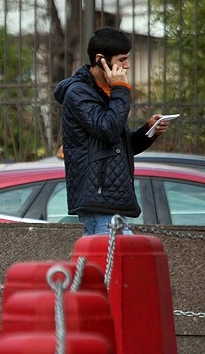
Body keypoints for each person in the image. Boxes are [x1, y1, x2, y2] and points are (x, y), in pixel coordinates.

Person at [54, 26, 174, 236]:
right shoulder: (79, 93)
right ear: (101, 59)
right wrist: (120, 90)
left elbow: (120, 147)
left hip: (111, 202)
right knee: (110, 265)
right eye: (121, 60)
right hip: (97, 200)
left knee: (112, 265)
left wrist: (150, 130)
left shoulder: (107, 91)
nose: (127, 65)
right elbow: (108, 130)